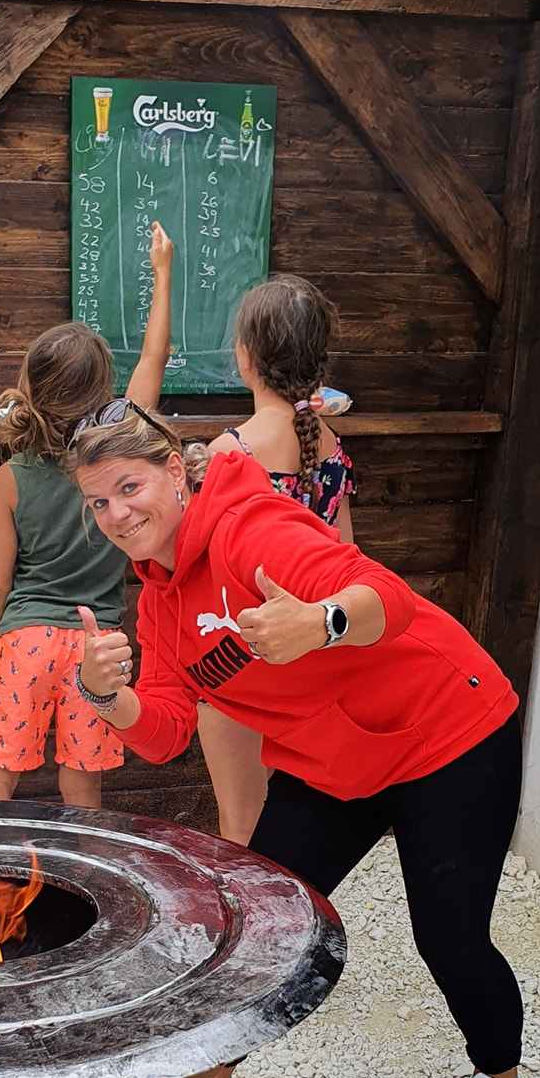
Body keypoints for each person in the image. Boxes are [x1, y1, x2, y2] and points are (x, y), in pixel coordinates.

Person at [64, 404, 524, 1078]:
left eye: (129, 487)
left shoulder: (249, 529)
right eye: (98, 501)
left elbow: (387, 596)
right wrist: (106, 695)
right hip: (337, 762)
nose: (117, 513)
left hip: (450, 733)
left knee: (449, 936)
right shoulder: (159, 602)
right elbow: (167, 731)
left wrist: (322, 622)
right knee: (253, 926)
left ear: (174, 471)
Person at [0, 224, 173, 808]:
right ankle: (86, 864)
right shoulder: (119, 461)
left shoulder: (10, 478)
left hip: (25, 639)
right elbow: (154, 358)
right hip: (96, 645)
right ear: (103, 391)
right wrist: (162, 273)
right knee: (83, 782)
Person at [198, 275, 357, 845]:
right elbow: (346, 558)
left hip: (241, 655)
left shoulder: (228, 453)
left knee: (240, 826)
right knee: (290, 824)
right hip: (311, 658)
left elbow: (203, 571)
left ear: (245, 357)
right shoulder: (331, 448)